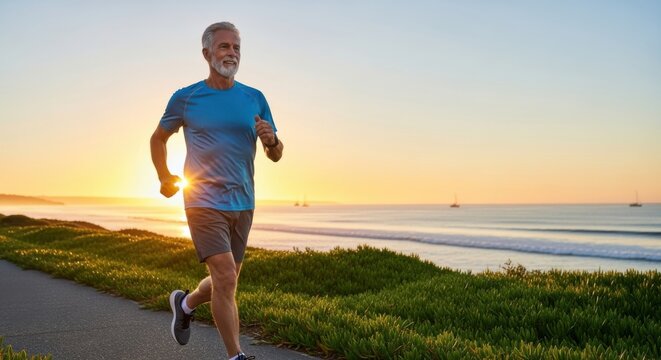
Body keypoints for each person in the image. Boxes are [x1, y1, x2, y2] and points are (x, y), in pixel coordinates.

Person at [150, 21, 283, 360]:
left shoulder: (255, 98)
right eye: (225, 46)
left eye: (236, 47)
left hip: (244, 202)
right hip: (203, 200)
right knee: (225, 276)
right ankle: (236, 356)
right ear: (207, 53)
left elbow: (276, 154)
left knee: (226, 281)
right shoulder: (187, 97)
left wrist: (272, 141)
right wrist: (165, 176)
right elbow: (158, 138)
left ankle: (186, 302)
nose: (232, 53)